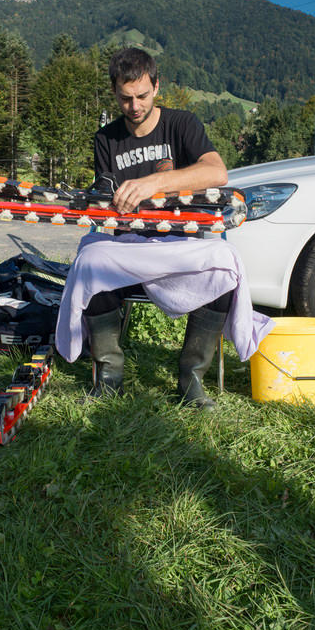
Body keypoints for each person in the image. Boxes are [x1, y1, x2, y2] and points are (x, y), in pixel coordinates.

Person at [83, 47, 233, 410]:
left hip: (181, 243)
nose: (134, 106)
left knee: (223, 262)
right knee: (91, 258)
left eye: (142, 96)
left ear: (157, 85)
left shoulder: (183, 124)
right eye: (125, 98)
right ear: (114, 92)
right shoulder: (106, 140)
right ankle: (109, 377)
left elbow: (217, 172)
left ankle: (191, 378)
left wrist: (153, 184)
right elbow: (103, 200)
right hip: (130, 247)